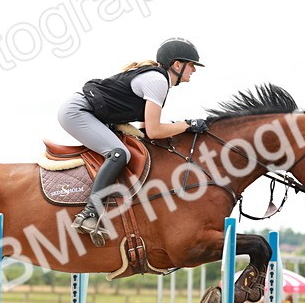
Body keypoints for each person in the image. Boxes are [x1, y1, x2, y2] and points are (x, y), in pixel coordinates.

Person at [57, 38, 208, 247]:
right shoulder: (158, 81)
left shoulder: (158, 80)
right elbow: (155, 131)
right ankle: (89, 214)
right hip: (77, 112)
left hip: (88, 112)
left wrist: (182, 128)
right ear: (177, 65)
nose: (194, 70)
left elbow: (147, 131)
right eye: (191, 65)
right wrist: (187, 125)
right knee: (119, 153)